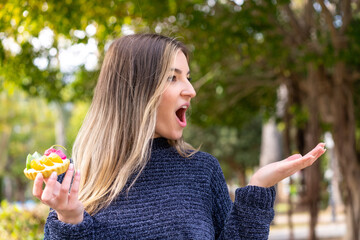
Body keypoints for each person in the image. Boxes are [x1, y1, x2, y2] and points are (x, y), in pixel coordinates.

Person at [32, 33, 326, 239]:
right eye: (172, 77)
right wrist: (70, 218)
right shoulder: (78, 180)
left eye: (188, 76)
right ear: (136, 92)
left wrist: (259, 186)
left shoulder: (202, 170)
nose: (190, 90)